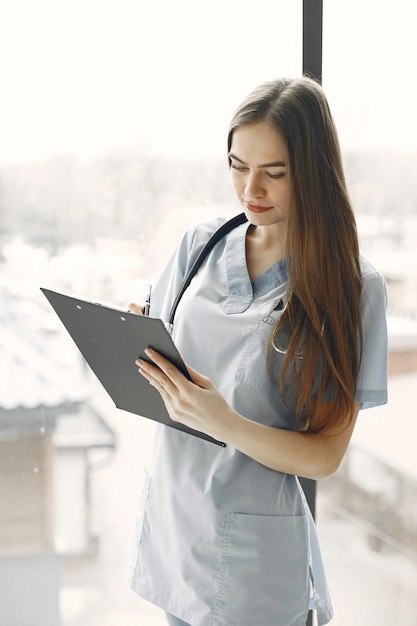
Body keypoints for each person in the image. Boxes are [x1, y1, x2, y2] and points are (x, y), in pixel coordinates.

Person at [127, 77, 388, 626]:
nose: (251, 189)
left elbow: (325, 456)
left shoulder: (352, 288)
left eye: (274, 173)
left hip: (252, 567)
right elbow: (163, 379)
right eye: (238, 165)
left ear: (314, 172)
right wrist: (136, 342)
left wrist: (224, 421)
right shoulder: (199, 245)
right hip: (176, 533)